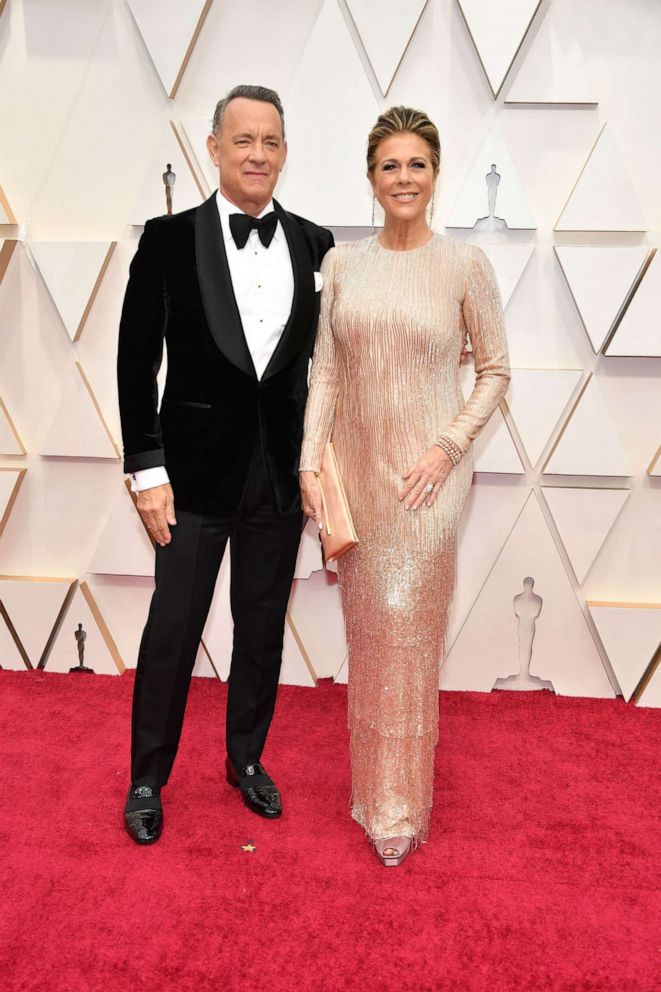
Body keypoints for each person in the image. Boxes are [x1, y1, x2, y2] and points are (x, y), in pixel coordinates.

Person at [117, 85, 334, 844]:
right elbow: (134, 359)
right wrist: (146, 470)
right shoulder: (168, 239)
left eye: (270, 141)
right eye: (242, 140)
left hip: (277, 474)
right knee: (171, 629)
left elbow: (335, 364)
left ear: (284, 150)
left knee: (262, 629)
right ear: (213, 148)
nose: (257, 154)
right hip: (191, 477)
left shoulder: (316, 244)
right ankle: (147, 775)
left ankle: (245, 760)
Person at [299, 106, 510, 867]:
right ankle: (371, 791)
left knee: (409, 636)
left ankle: (400, 804)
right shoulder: (344, 265)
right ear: (370, 177)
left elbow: (494, 371)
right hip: (353, 473)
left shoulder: (463, 267)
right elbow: (325, 368)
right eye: (389, 165)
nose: (403, 178)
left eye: (415, 164)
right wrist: (307, 465)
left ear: (435, 173)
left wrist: (445, 449)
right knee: (369, 636)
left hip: (429, 479)